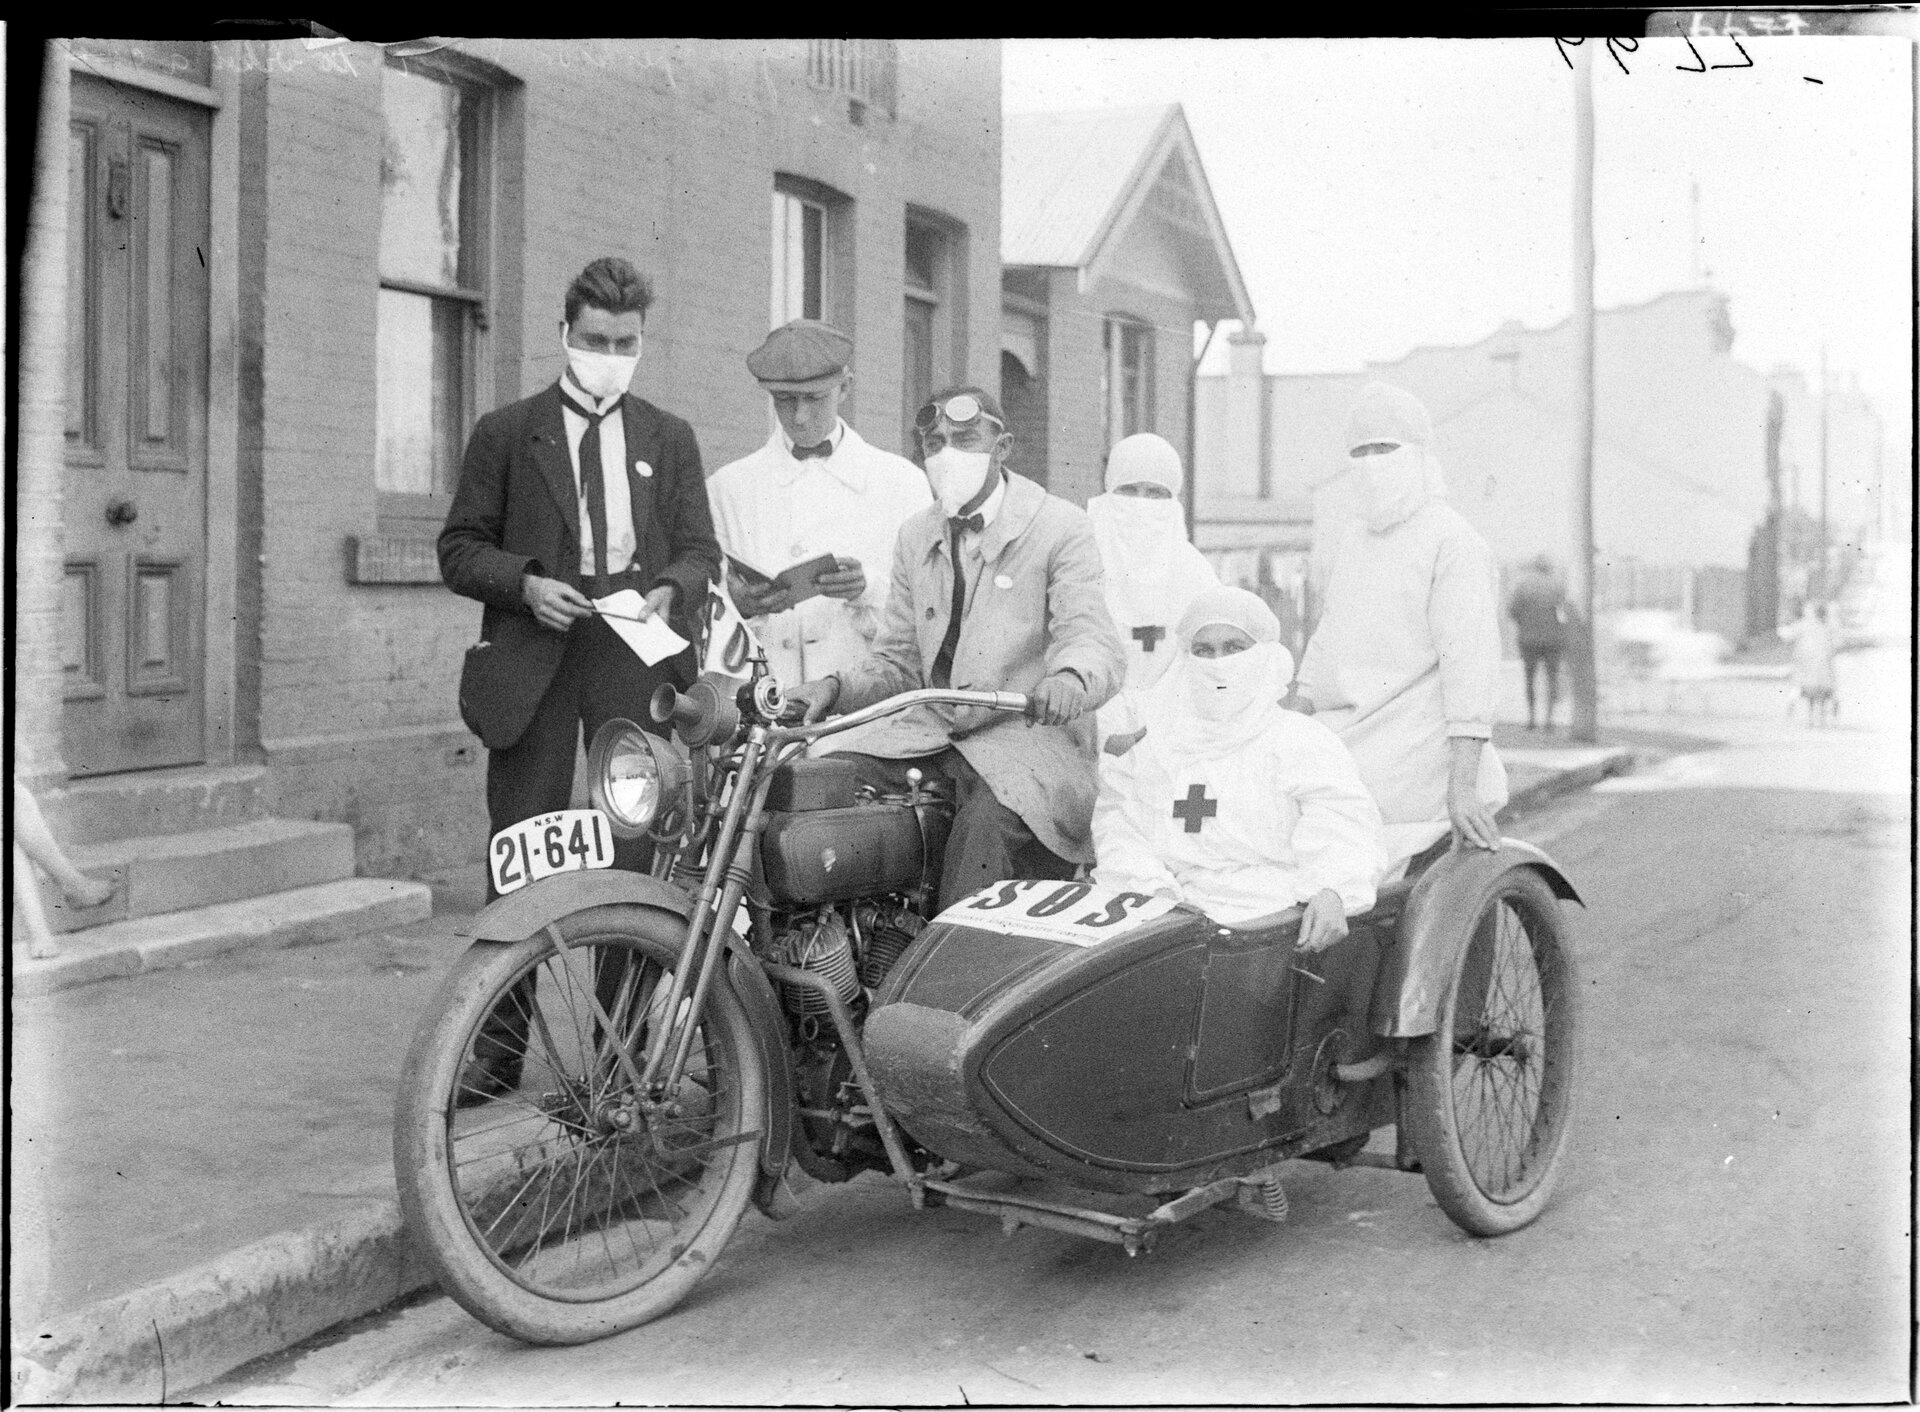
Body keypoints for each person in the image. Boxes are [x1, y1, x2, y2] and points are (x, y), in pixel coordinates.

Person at [439, 256, 721, 1102]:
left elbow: (701, 550)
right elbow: (458, 548)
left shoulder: (667, 437)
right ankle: (496, 1050)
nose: (609, 354)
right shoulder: (506, 431)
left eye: (625, 342)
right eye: (595, 339)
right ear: (565, 334)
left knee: (634, 854)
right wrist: (524, 582)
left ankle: (620, 1052)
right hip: (535, 653)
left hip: (630, 654)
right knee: (521, 849)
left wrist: (674, 584)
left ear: (641, 343)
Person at [786, 386, 1126, 908]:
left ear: (1003, 446)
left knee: (985, 831)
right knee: (812, 788)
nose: (948, 456)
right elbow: (897, 660)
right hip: (931, 733)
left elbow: (1091, 635)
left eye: (965, 440)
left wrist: (1069, 679)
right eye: (935, 443)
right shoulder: (916, 535)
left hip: (1028, 739)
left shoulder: (1060, 528)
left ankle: (953, 982)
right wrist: (831, 688)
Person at [1092, 588, 1384, 946]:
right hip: (1169, 919)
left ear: (1264, 655)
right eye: (1203, 650)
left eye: (1233, 648)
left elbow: (1343, 824)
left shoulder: (1301, 740)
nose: (1218, 663)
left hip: (1273, 920)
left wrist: (1333, 890)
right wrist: (1153, 893)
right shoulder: (1156, 746)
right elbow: (1120, 826)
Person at [1294, 382, 1508, 870]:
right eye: (1359, 451)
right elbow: (1329, 636)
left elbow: (1470, 668)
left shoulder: (1453, 543)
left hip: (1416, 753)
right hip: (1345, 738)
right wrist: (1291, 721)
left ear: (1419, 454)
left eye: (1385, 448)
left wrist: (1464, 787)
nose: (1371, 463)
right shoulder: (1355, 539)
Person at [706, 319, 932, 690]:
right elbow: (704, 617)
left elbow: (928, 611)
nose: (799, 416)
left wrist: (867, 589)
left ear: (845, 388)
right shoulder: (727, 488)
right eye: (785, 400)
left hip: (863, 715)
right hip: (762, 712)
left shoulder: (902, 483)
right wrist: (742, 604)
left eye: (814, 398)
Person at [1084, 432, 1219, 752]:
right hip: (1089, 727)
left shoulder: (1195, 572)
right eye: (1129, 491)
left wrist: (1158, 719)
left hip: (1172, 733)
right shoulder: (1078, 559)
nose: (1141, 503)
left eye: (1155, 493)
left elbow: (1208, 658)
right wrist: (1103, 727)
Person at [1506, 553, 1570, 731]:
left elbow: (1512, 611)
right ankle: (1549, 721)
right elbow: (1565, 614)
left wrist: (1525, 624)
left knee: (1530, 679)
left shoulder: (1523, 586)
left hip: (1528, 640)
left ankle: (1532, 719)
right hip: (1553, 641)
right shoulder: (1557, 586)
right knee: (1552, 679)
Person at [1783, 599, 1838, 727]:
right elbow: (1835, 642)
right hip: (1822, 665)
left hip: (1807, 664)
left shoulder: (1803, 625)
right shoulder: (1826, 626)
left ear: (1812, 612)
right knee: (1822, 692)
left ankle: (1811, 716)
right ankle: (1821, 716)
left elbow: (1788, 635)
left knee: (1810, 692)